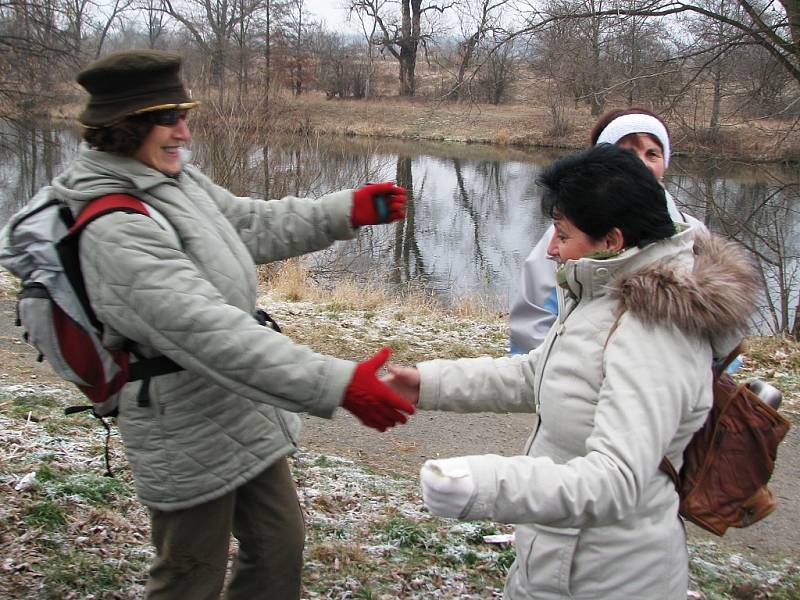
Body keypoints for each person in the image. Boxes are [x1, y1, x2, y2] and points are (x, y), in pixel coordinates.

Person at [37, 50, 415, 600]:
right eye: (170, 118)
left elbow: (244, 224)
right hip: (181, 423)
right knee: (190, 577)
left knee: (278, 549)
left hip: (238, 403)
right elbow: (210, 332)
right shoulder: (113, 227)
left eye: (183, 114)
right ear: (127, 127)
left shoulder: (170, 178)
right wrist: (338, 384)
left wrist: (341, 212)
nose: (184, 130)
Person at [384, 144, 759, 599]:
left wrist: (482, 485)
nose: (552, 249)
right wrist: (427, 383)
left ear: (612, 240)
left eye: (562, 234)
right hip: (557, 557)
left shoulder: (653, 331)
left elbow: (615, 481)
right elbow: (539, 376)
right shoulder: (604, 295)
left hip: (610, 577)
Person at [509, 107, 704, 354]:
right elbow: (534, 318)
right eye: (629, 152)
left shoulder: (692, 233)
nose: (642, 163)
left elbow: (715, 316)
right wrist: (548, 372)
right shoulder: (568, 235)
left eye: (652, 153)